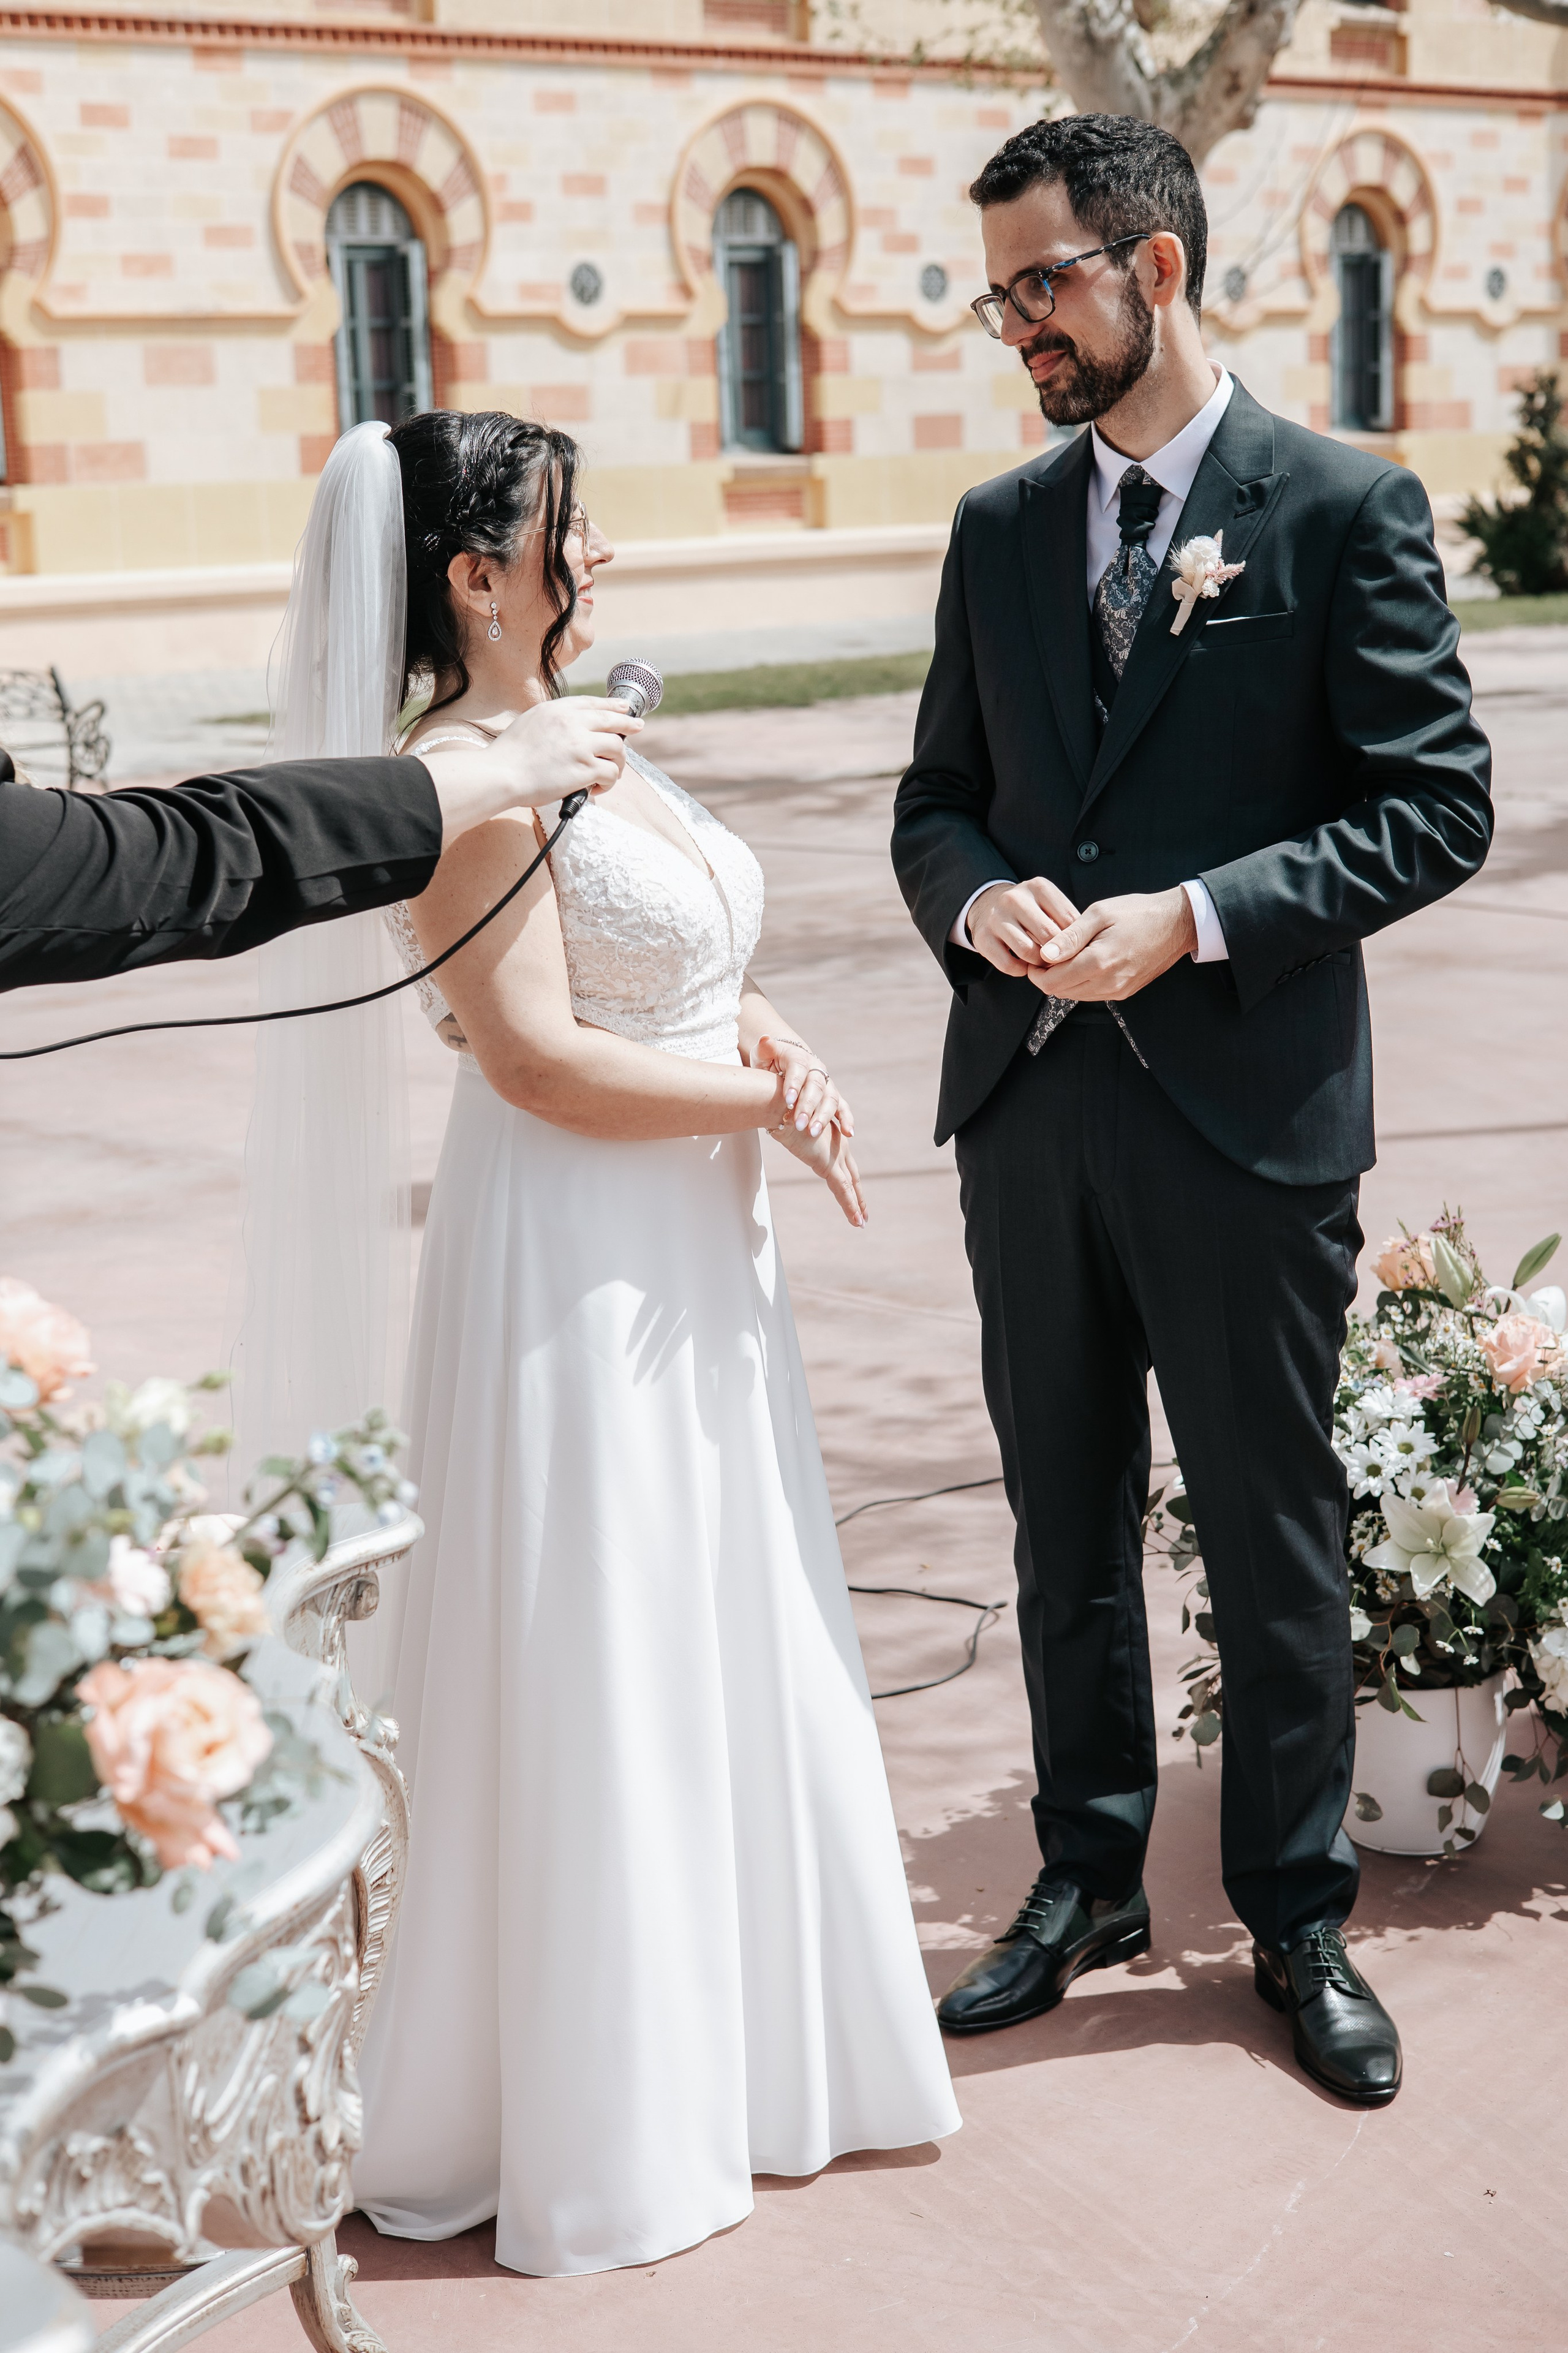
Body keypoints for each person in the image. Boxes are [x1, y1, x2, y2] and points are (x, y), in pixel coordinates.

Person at [236, 414, 958, 2278]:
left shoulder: (587, 739)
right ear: (475, 574)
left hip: (692, 1240)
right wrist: (753, 1104)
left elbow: (679, 950)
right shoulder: (451, 778)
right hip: (573, 1249)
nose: (606, 552)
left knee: (713, 1605)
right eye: (573, 528)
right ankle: (586, 2100)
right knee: (604, 1627)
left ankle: (746, 2046)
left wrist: (768, 1032)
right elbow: (536, 1056)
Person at [891, 116, 1492, 2108]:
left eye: (1042, 282)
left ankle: (1295, 1912)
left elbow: (1436, 805)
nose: (1019, 329)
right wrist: (982, 901)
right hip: (1032, 1110)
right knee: (1062, 1524)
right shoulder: (996, 527)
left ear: (1155, 265)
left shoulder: (1340, 505)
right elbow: (935, 801)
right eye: (1000, 296)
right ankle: (1086, 1879)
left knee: (1274, 1533)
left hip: (1246, 1115)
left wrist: (1204, 919)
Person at [0, 687, 638, 992]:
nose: (603, 549)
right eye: (572, 524)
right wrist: (503, 774)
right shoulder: (474, 758)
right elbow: (179, 857)